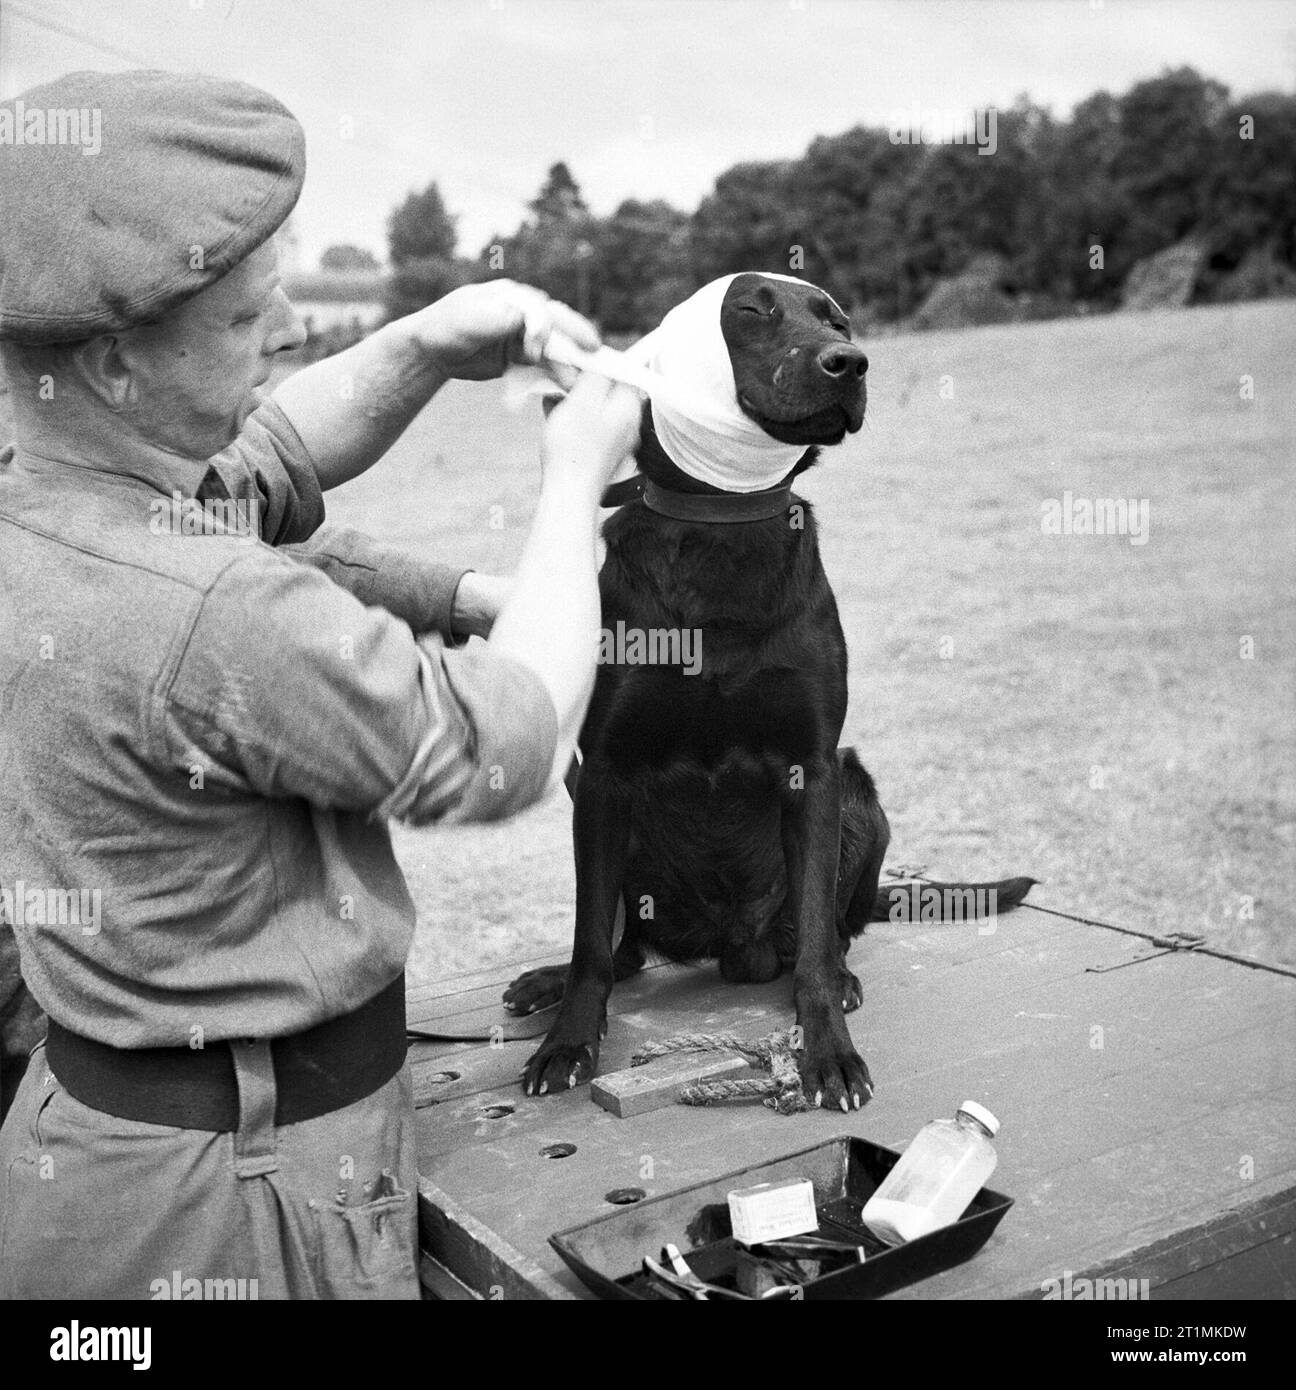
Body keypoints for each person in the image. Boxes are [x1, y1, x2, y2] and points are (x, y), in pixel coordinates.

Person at [0, 69, 640, 1299]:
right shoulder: (207, 612)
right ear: (116, 358)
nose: (288, 330)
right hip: (233, 1205)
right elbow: (508, 742)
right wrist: (571, 489)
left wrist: (422, 342)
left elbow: (275, 458)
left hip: (116, 1158)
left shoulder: (55, 496)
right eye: (246, 322)